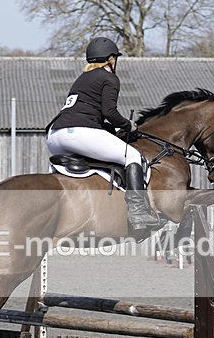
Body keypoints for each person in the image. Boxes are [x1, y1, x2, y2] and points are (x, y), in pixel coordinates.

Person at [46, 36, 159, 231]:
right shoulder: (109, 77)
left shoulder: (82, 78)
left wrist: (109, 129)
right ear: (110, 59)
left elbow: (90, 114)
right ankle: (138, 212)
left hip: (55, 136)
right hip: (79, 133)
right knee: (133, 156)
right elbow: (110, 112)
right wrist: (128, 125)